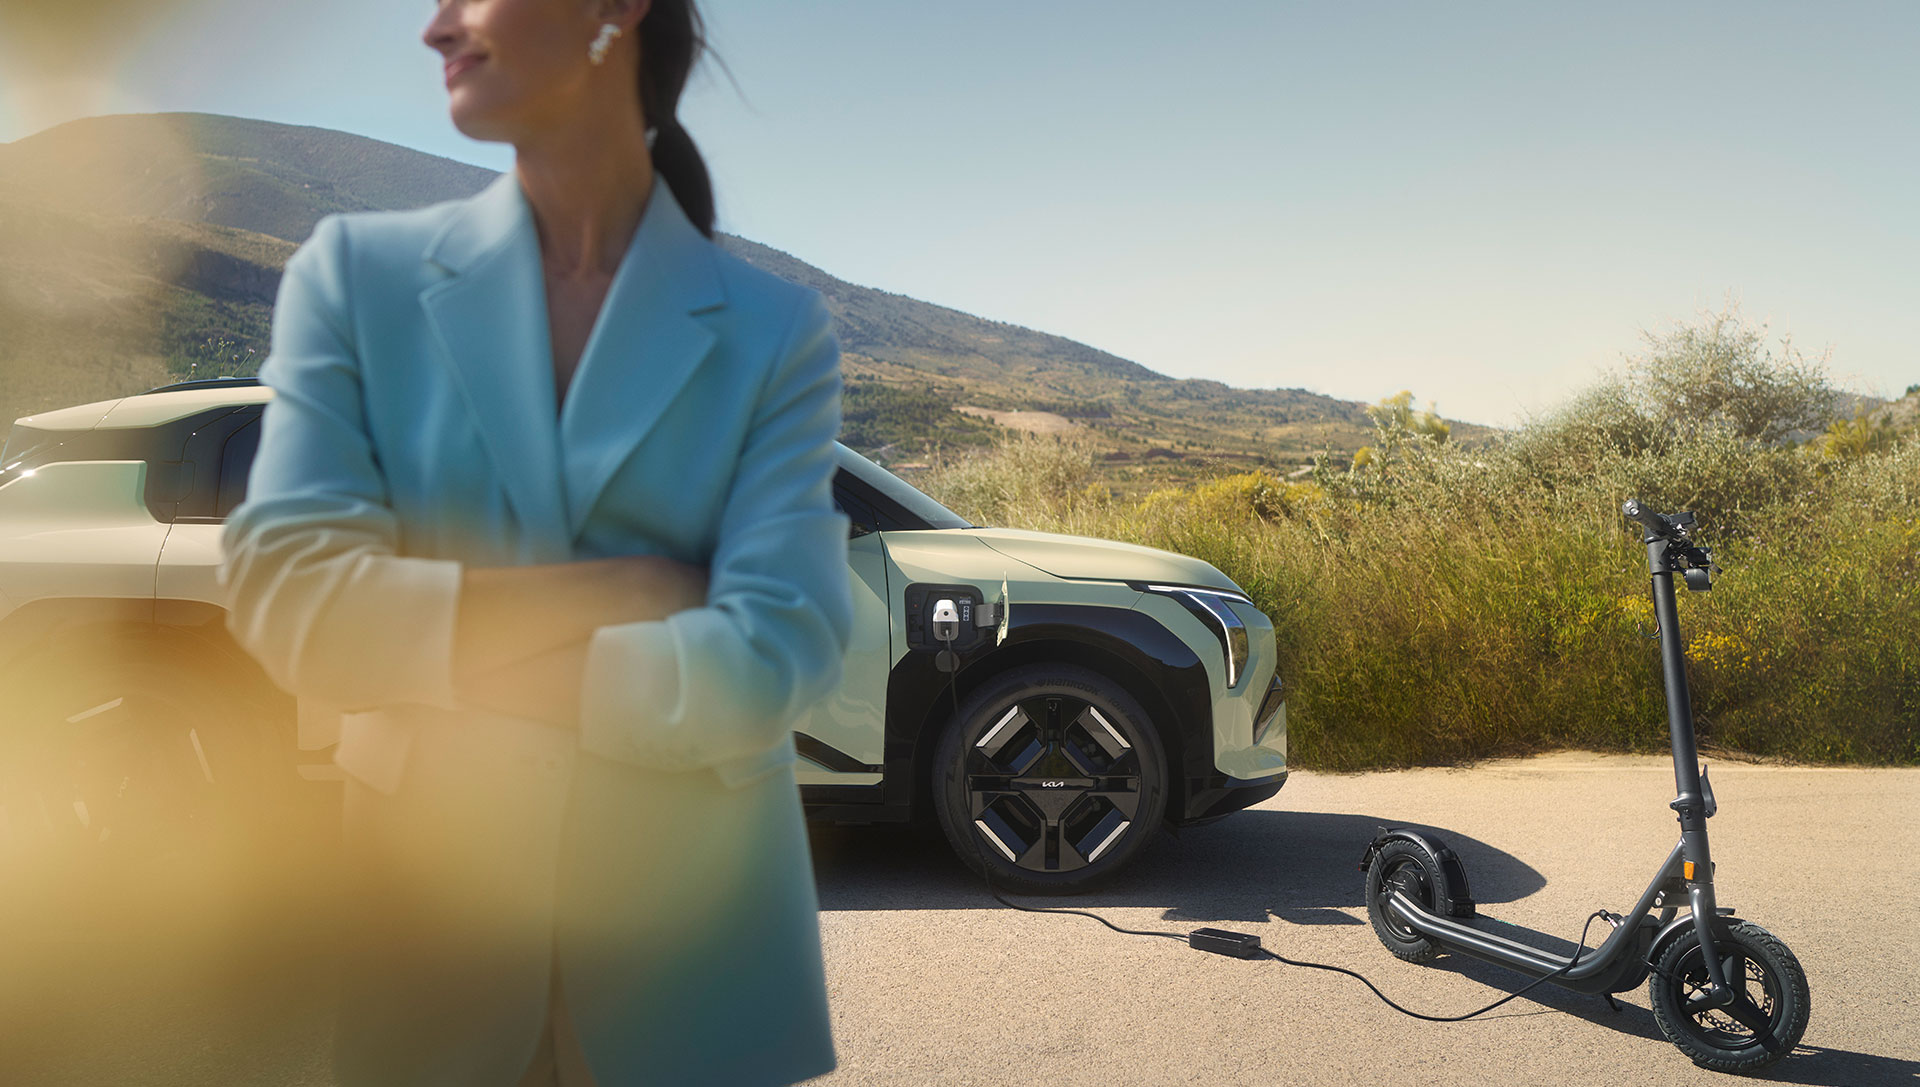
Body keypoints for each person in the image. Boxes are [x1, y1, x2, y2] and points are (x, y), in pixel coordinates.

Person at [217, 0, 854, 1083]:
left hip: (694, 976)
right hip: (430, 965)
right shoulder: (355, 281)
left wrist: (435, 639)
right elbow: (291, 603)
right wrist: (627, 590)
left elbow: (783, 649)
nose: (436, 28)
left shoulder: (775, 331)